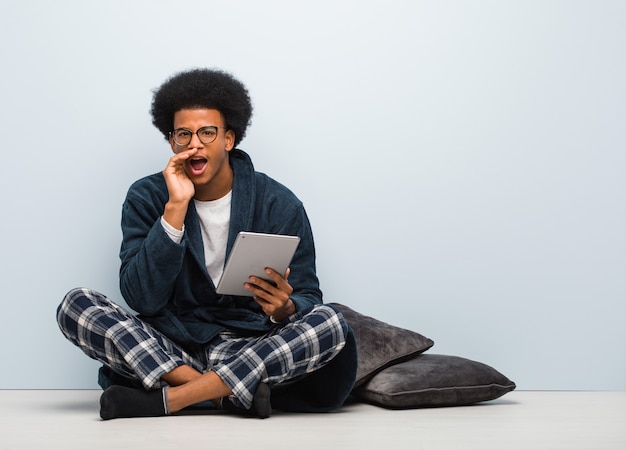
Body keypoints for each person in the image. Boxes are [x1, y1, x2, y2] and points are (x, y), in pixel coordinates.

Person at [56, 68, 357, 420]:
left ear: (228, 139)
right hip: (172, 347)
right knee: (76, 305)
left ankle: (174, 399)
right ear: (172, 142)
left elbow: (308, 296)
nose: (194, 143)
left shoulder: (278, 203)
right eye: (184, 134)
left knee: (331, 321)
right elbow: (141, 298)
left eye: (207, 133)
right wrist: (175, 209)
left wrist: (284, 308)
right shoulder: (147, 196)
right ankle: (220, 395)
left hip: (248, 347)